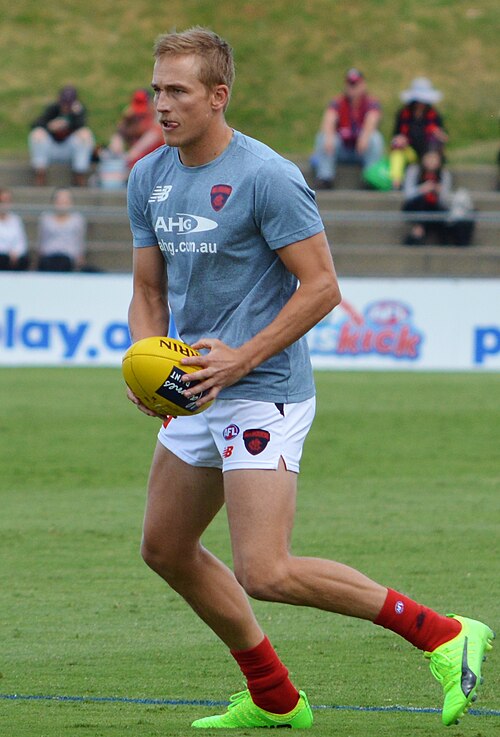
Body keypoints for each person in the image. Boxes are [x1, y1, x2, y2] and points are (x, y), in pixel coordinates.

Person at [126, 27, 494, 730]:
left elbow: (322, 287)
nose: (161, 104)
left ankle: (445, 634)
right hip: (198, 390)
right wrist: (149, 364)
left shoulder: (267, 175)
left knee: (265, 569)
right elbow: (147, 289)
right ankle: (273, 697)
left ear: (217, 95)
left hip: (265, 389)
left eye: (177, 90)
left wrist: (241, 357)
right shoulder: (150, 175)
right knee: (165, 547)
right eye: (156, 89)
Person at [311, 68, 384, 189]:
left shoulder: (370, 103)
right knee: (323, 137)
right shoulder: (338, 102)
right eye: (350, 84)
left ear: (363, 85)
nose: (352, 88)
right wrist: (328, 136)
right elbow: (329, 118)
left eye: (356, 84)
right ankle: (325, 177)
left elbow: (373, 117)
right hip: (342, 150)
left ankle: (371, 178)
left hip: (361, 151)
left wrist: (365, 136)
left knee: (375, 138)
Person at [29, 85, 95, 187]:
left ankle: (79, 174)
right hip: (52, 149)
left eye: (69, 103)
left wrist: (73, 119)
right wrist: (50, 126)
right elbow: (35, 124)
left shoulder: (78, 112)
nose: (66, 106)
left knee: (85, 134)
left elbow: (82, 125)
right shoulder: (53, 109)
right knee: (37, 134)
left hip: (70, 150)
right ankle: (40, 174)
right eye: (64, 102)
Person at [390, 78, 448, 190]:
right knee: (397, 153)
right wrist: (399, 140)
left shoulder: (434, 116)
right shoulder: (403, 114)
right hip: (410, 151)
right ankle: (396, 182)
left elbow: (443, 137)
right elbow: (395, 137)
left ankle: (433, 181)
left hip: (428, 151)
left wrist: (439, 135)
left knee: (432, 154)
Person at [402, 149, 452, 245]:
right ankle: (418, 229)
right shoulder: (414, 170)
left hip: (436, 208)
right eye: (429, 158)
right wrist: (422, 189)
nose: (431, 161)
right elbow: (408, 194)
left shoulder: (444, 174)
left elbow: (446, 199)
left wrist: (439, 190)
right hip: (415, 206)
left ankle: (419, 232)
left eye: (434, 158)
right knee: (422, 200)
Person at [37, 187, 87, 271]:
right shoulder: (46, 219)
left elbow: (79, 241)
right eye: (59, 200)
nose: (62, 203)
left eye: (65, 200)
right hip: (49, 256)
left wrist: (79, 257)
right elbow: (42, 240)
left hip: (68, 257)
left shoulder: (77, 220)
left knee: (64, 262)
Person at [0, 188, 29, 271]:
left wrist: (16, 252)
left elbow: (22, 242)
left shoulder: (16, 220)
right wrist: (7, 251)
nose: (4, 205)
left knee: (23, 259)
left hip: (14, 257)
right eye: (1, 201)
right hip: (2, 255)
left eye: (7, 201)